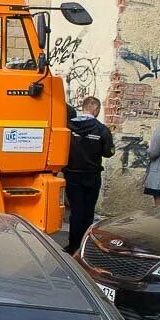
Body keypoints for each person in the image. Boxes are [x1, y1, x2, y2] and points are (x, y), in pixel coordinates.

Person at [64, 96, 114, 253]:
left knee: (76, 211)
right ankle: (84, 247)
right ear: (96, 109)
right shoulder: (101, 129)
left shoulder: (68, 126)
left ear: (83, 107)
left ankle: (73, 245)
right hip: (92, 175)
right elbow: (108, 153)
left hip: (72, 174)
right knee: (88, 211)